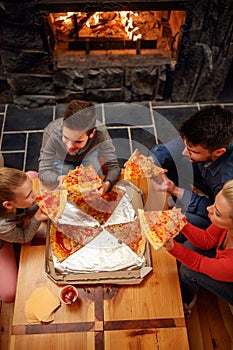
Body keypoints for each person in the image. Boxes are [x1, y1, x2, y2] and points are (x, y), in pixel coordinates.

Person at [149, 105, 233, 240]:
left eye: (192, 151)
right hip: (204, 180)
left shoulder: (228, 179)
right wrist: (151, 163)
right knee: (172, 160)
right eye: (185, 145)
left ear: (218, 152)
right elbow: (162, 152)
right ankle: (178, 203)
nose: (184, 152)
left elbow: (214, 210)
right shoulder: (201, 137)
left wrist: (174, 190)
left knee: (169, 229)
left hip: (218, 210)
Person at [163, 179, 233, 315]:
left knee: (188, 271)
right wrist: (181, 222)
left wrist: (172, 247)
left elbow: (198, 263)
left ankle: (186, 303)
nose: (208, 209)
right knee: (189, 246)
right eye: (214, 204)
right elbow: (208, 240)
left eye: (217, 213)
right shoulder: (226, 221)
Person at [39, 100, 121, 194]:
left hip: (88, 156)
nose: (69, 147)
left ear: (92, 133)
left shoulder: (101, 132)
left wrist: (106, 185)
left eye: (78, 141)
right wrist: (58, 178)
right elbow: (43, 172)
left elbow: (114, 167)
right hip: (62, 159)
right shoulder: (51, 132)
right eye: (66, 137)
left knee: (97, 187)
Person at [0, 167, 48, 303]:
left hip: (12, 222)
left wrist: (35, 201)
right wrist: (37, 218)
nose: (35, 194)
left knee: (32, 175)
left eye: (32, 190)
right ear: (8, 204)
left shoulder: (11, 200)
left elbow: (27, 204)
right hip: (3, 240)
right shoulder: (3, 225)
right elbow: (24, 237)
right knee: (9, 294)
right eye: (29, 195)